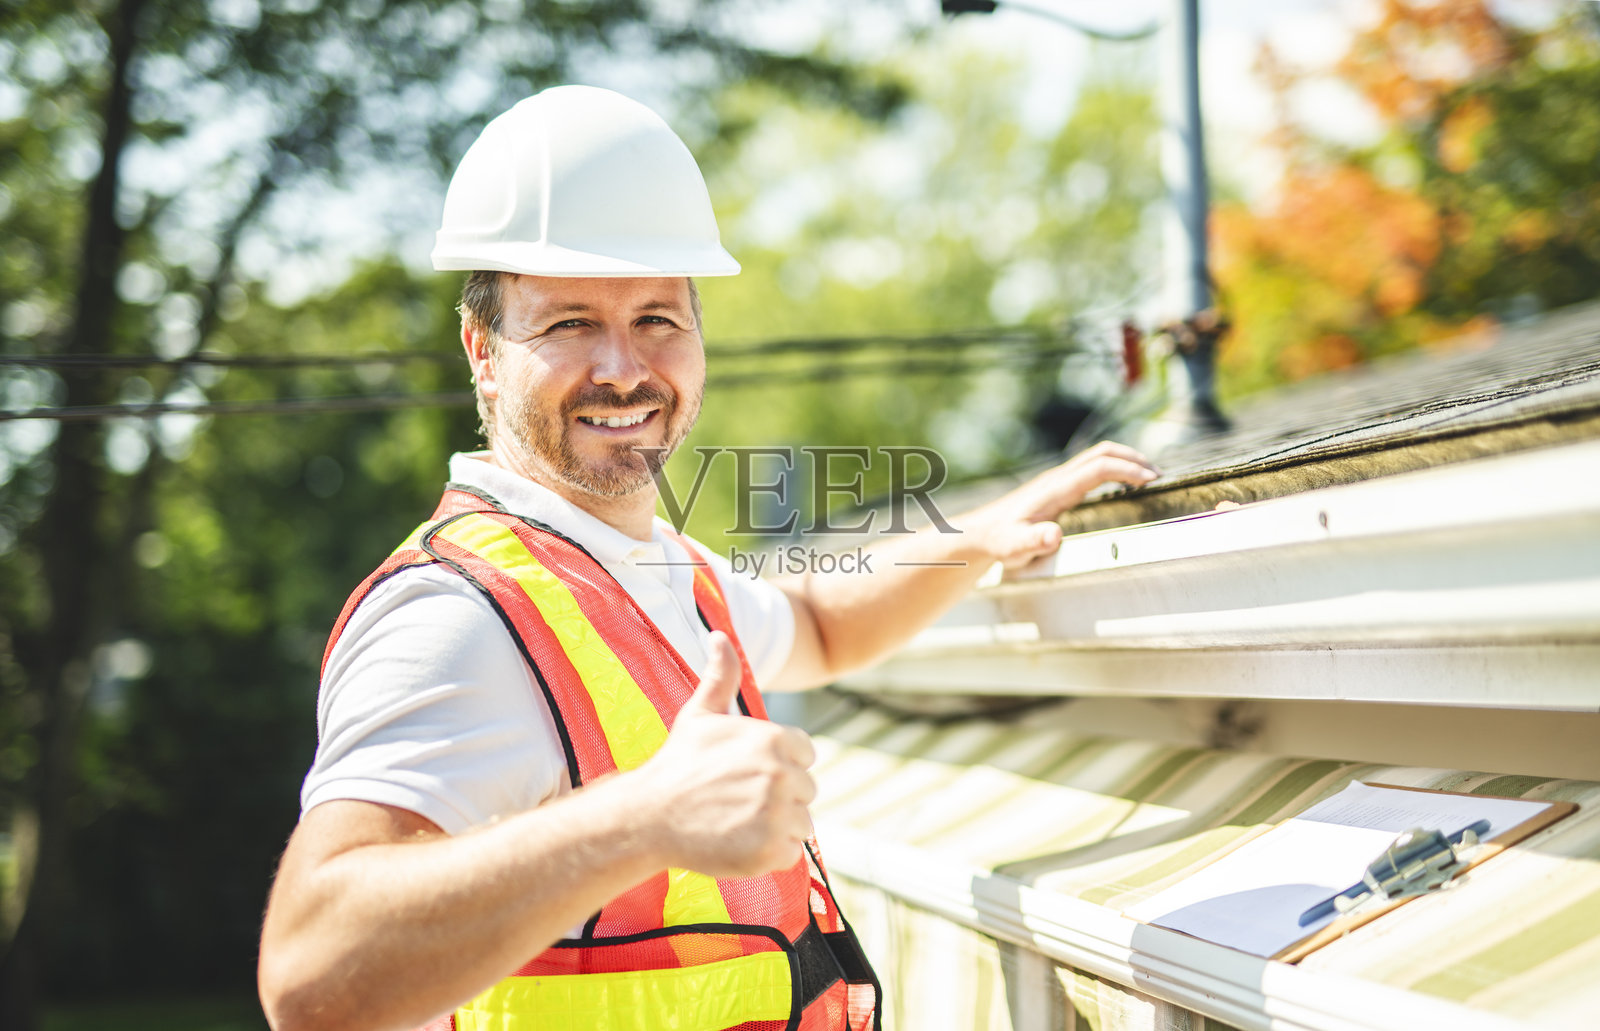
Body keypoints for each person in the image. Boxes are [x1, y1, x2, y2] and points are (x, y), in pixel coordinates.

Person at [256, 85, 1158, 1031]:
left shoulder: (651, 567)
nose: (623, 367)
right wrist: (644, 814)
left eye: (657, 317)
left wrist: (973, 537)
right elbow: (312, 978)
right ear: (483, 349)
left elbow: (812, 624)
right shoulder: (458, 613)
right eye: (569, 322)